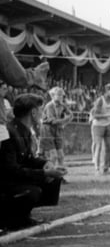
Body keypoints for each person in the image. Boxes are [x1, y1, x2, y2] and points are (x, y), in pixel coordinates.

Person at [0, 93, 65, 231]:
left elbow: (28, 159)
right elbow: (11, 170)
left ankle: (23, 215)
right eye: (40, 110)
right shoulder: (9, 132)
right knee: (33, 191)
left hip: (15, 178)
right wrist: (43, 173)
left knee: (54, 181)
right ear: (33, 113)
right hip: (6, 183)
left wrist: (44, 164)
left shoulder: (24, 131)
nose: (42, 113)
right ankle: (10, 219)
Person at [40, 86, 74, 171]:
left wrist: (64, 122)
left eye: (62, 95)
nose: (60, 97)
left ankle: (60, 175)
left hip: (58, 130)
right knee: (53, 155)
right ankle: (51, 175)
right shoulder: (49, 106)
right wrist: (65, 120)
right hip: (47, 130)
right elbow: (53, 121)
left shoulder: (62, 105)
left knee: (61, 155)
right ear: (52, 96)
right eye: (58, 95)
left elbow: (71, 115)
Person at [90, 83, 110, 175]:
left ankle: (105, 168)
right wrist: (108, 115)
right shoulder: (100, 100)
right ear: (107, 91)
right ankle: (97, 168)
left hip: (108, 125)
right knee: (98, 146)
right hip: (98, 125)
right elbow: (95, 115)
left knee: (108, 147)